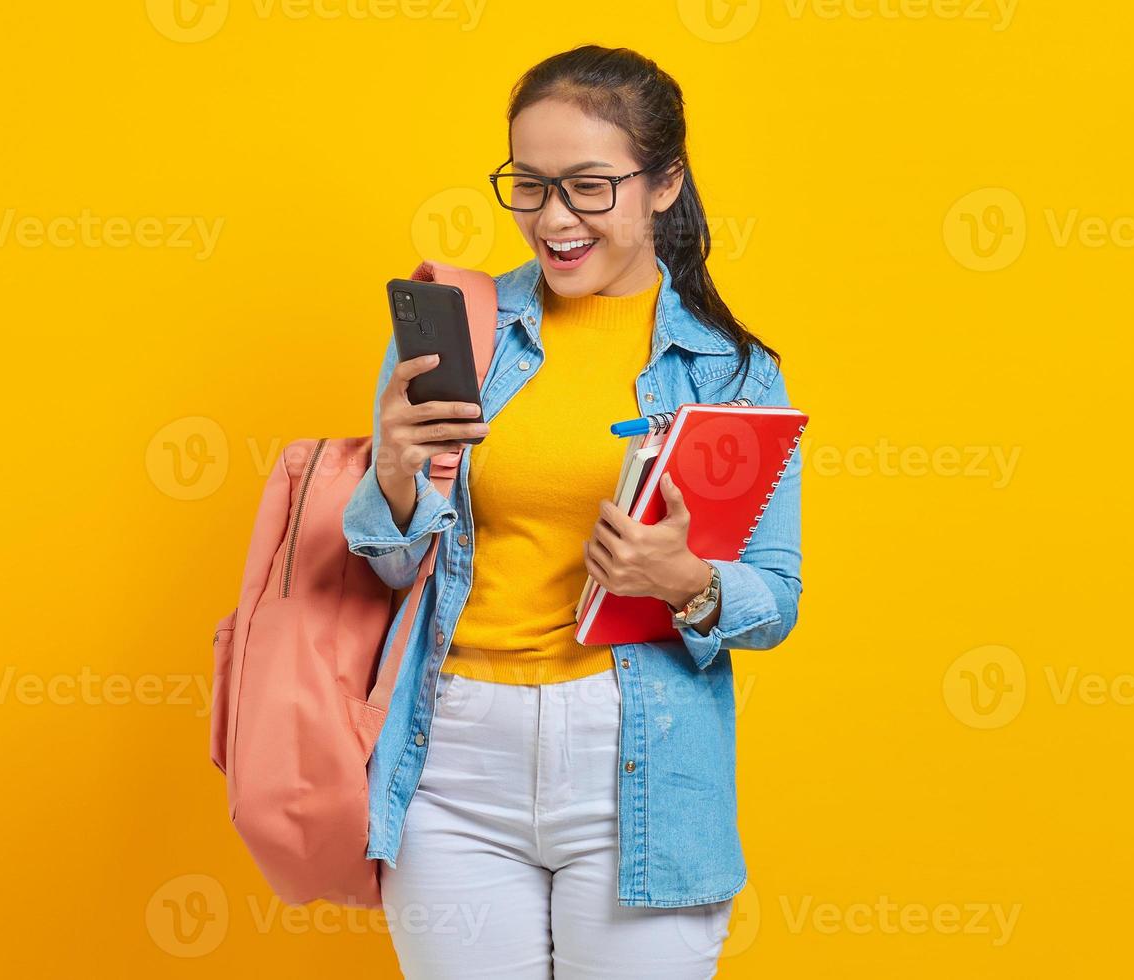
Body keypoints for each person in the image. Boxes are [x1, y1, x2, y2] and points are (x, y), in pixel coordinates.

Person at [341, 44, 804, 979]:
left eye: (590, 188)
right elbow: (387, 577)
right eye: (531, 185)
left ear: (664, 184)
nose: (553, 220)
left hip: (641, 762)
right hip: (453, 759)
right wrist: (392, 476)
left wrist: (685, 582)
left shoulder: (733, 374)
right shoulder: (456, 328)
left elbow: (778, 603)